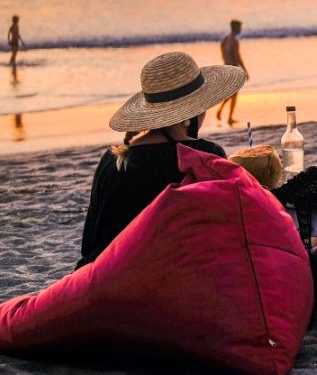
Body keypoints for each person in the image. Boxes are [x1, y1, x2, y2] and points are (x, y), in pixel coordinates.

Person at [76, 50, 245, 268]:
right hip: (168, 279)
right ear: (188, 117)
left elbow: (90, 244)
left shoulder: (111, 161)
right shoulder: (203, 157)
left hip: (104, 276)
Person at [216, 20, 248, 126]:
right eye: (240, 28)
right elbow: (238, 57)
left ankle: (221, 111)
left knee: (231, 94)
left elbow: (223, 55)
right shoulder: (234, 41)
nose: (241, 30)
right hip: (233, 69)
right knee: (234, 95)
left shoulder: (224, 40)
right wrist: (245, 70)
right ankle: (229, 117)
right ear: (236, 28)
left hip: (226, 67)